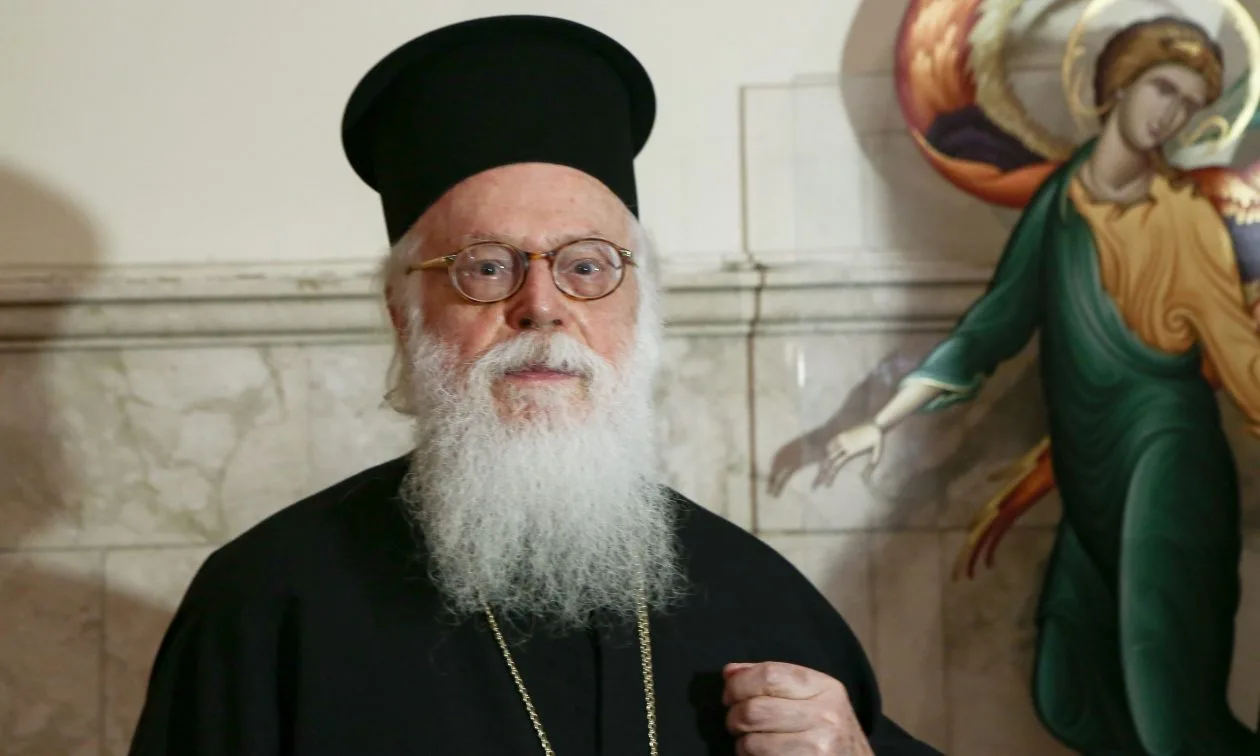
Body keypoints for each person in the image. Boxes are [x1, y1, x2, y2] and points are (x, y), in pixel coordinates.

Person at [125, 15, 940, 755]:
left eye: (587, 266)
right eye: (485, 267)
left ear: (640, 310)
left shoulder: (754, 594)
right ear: (405, 317)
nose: (542, 307)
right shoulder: (268, 607)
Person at [800, 16, 1260, 756]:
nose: (1171, 114)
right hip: (1093, 475)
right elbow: (992, 327)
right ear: (1118, 84)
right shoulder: (1062, 200)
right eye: (1162, 87)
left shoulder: (1184, 218)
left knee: (1166, 697)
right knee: (1069, 690)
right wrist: (880, 421)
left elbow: (1242, 356)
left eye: (1190, 103)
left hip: (1170, 463)